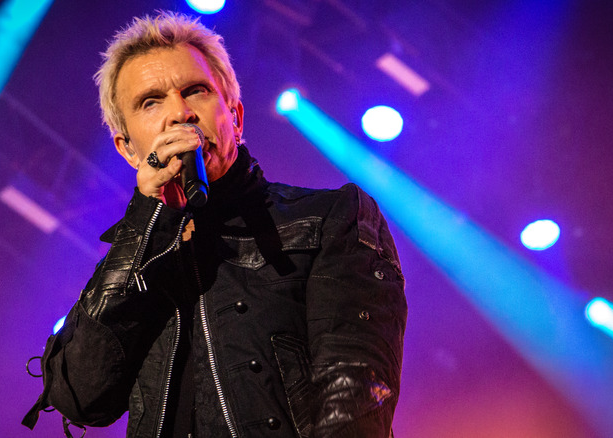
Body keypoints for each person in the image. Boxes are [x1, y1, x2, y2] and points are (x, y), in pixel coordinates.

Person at [23, 11, 407, 438]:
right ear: (128, 150)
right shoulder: (133, 255)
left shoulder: (330, 217)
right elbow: (81, 396)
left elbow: (353, 394)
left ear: (236, 118)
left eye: (196, 91)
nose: (180, 113)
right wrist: (147, 220)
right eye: (151, 102)